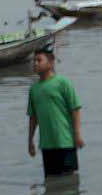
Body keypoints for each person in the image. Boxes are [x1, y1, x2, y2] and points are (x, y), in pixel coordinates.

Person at [26, 46, 82, 176]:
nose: (35, 63)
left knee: (69, 179)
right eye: (34, 61)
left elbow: (75, 109)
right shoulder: (34, 89)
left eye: (39, 60)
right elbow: (33, 117)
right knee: (50, 181)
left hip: (66, 142)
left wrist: (77, 134)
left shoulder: (63, 83)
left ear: (51, 63)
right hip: (46, 145)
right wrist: (30, 141)